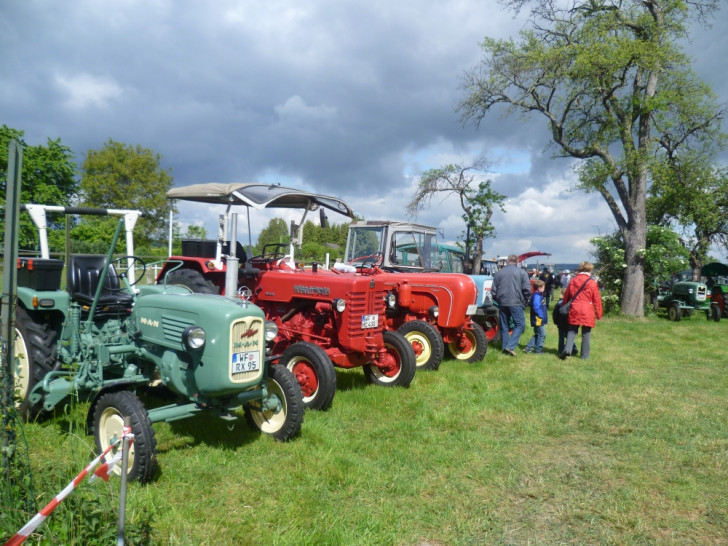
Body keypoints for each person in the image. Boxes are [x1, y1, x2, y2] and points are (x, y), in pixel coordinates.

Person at [560, 261, 603, 360]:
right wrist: (599, 313)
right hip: (587, 309)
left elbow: (567, 295)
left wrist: (564, 306)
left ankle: (567, 349)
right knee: (586, 333)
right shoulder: (591, 282)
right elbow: (596, 299)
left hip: (575, 307)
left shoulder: (573, 280)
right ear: (590, 270)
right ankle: (584, 356)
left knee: (572, 330)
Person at [491, 254, 532, 356]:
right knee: (520, 324)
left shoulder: (499, 273)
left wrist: (498, 299)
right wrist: (525, 300)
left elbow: (493, 290)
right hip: (516, 302)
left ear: (507, 261)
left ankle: (505, 347)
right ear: (517, 262)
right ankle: (510, 346)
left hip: (502, 301)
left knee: (504, 326)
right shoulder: (522, 272)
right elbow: (527, 289)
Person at [524, 279, 547, 354]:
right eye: (543, 287)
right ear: (539, 288)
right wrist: (540, 315)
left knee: (538, 334)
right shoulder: (537, 296)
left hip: (537, 318)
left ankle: (528, 347)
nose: (544, 289)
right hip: (538, 319)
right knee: (542, 334)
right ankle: (538, 349)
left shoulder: (538, 295)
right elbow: (536, 306)